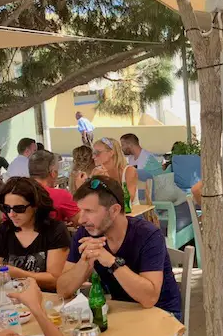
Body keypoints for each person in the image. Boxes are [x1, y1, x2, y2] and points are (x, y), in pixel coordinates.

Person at [57, 177, 182, 319]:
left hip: (162, 313)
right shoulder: (85, 233)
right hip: (123, 310)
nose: (81, 219)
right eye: (81, 211)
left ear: (114, 210)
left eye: (89, 211)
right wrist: (84, 263)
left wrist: (112, 262)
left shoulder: (148, 235)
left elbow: (149, 299)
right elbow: (62, 291)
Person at [0, 177, 71, 291]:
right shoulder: (2, 232)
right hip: (12, 300)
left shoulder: (55, 230)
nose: (11, 214)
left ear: (35, 206)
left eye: (19, 208)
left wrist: (17, 273)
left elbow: (55, 280)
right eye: (6, 208)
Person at [29, 150, 80, 225]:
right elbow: (83, 220)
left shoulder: (16, 192)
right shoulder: (60, 195)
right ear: (53, 173)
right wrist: (81, 189)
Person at [92, 137, 139, 206]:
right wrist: (93, 181)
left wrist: (109, 182)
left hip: (130, 214)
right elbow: (91, 199)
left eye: (97, 153)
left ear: (111, 153)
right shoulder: (97, 171)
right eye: (93, 153)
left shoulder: (129, 171)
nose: (93, 156)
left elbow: (127, 201)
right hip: (108, 214)